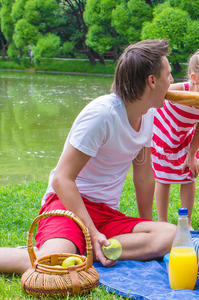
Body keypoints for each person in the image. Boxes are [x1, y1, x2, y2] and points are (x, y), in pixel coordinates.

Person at [0, 39, 176, 274]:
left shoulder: (148, 115)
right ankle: (66, 252)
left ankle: (83, 252)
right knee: (51, 264)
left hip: (106, 213)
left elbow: (143, 177)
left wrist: (148, 227)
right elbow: (62, 179)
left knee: (171, 235)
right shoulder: (101, 115)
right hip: (69, 206)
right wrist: (92, 233)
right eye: (170, 75)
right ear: (152, 81)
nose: (172, 82)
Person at [151, 48, 199, 228]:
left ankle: (185, 222)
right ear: (194, 78)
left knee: (189, 176)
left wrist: (191, 154)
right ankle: (161, 221)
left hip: (185, 135)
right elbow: (155, 94)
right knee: (163, 177)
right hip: (163, 131)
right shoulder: (179, 90)